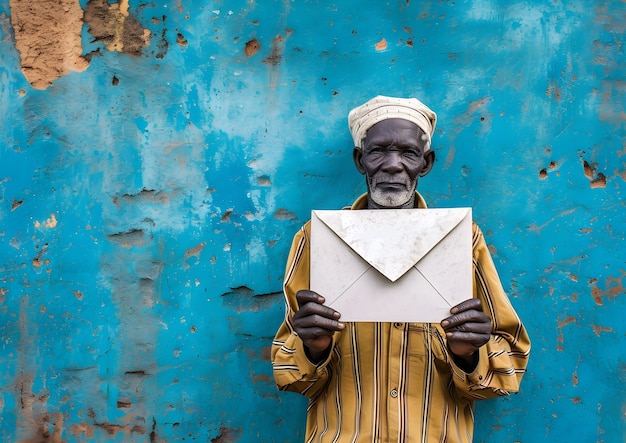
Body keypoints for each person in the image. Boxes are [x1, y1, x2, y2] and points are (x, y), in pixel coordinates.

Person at [271, 96, 531, 442]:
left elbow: (509, 364)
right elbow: (288, 371)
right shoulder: (316, 239)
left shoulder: (463, 239)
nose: (393, 165)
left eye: (408, 153)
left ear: (426, 163)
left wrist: (469, 356)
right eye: (378, 151)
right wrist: (313, 348)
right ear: (359, 160)